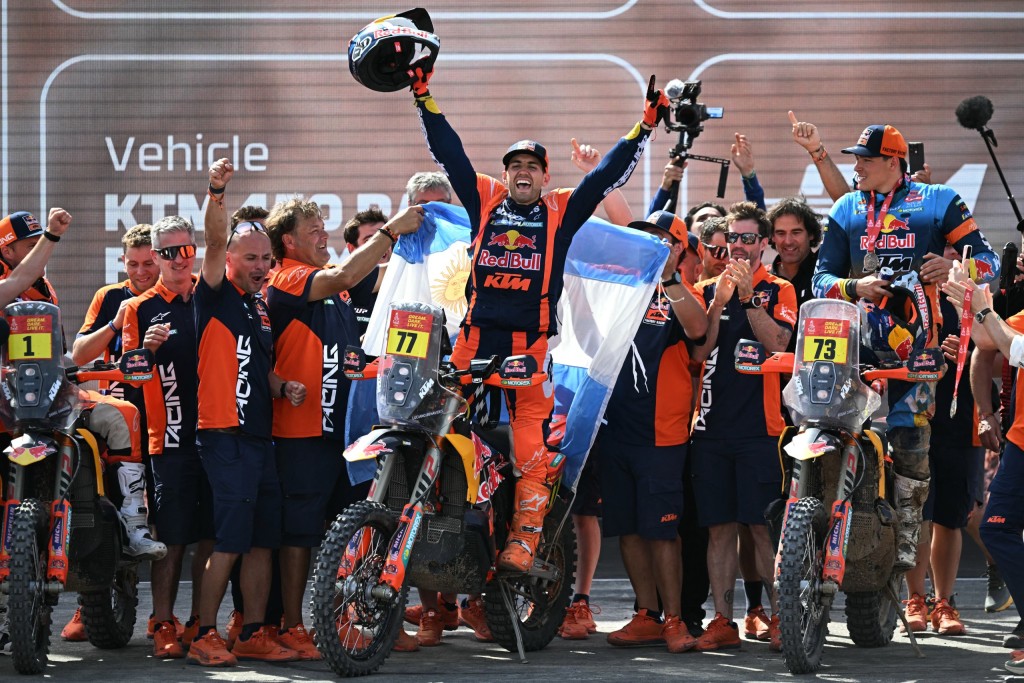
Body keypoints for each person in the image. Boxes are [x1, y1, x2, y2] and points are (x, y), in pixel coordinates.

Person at [409, 65, 665, 572]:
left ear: (546, 176)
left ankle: (524, 540)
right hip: (472, 345)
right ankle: (440, 537)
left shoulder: (561, 209)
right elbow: (449, 152)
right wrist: (423, 96)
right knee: (430, 432)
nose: (522, 171)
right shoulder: (484, 198)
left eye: (532, 165)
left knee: (532, 450)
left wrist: (643, 127)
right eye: (515, 165)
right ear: (505, 174)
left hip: (530, 351)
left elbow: (604, 175)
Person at [812, 123, 998, 568]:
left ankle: (908, 549)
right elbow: (819, 280)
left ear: (893, 162)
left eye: (865, 159)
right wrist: (856, 286)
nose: (855, 166)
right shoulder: (845, 207)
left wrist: (954, 266)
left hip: (919, 353)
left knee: (912, 452)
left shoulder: (939, 200)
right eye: (855, 158)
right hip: (853, 353)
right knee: (832, 448)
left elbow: (987, 261)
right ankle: (827, 542)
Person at [265, 195, 423, 653]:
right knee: (299, 533)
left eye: (323, 227)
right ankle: (293, 625)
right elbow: (346, 273)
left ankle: (354, 620)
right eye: (313, 229)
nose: (323, 235)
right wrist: (390, 232)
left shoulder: (335, 290)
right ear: (288, 240)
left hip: (346, 433)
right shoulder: (288, 276)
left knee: (353, 531)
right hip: (301, 432)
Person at [185, 159, 306, 666]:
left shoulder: (258, 307)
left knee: (262, 539)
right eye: (251, 257)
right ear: (229, 258)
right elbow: (214, 240)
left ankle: (253, 630)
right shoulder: (214, 292)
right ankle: (202, 634)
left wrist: (283, 385)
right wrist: (217, 191)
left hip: (260, 435)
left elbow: (258, 369)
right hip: (223, 433)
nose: (261, 265)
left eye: (265, 258)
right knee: (232, 538)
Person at [598, 211, 707, 653]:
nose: (652, 245)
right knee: (628, 528)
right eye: (645, 239)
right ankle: (646, 614)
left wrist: (670, 278)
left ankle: (675, 618)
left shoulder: (682, 292)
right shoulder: (617, 288)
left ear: (679, 248)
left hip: (661, 433)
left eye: (663, 240)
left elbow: (700, 332)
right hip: (613, 427)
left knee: (662, 531)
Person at [690, 201, 797, 652]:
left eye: (749, 238)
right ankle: (722, 620)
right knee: (719, 528)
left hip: (762, 430)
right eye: (733, 238)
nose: (739, 247)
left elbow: (778, 342)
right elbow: (699, 354)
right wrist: (716, 305)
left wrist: (750, 295)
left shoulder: (781, 289)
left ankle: (779, 618)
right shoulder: (706, 287)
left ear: (765, 243)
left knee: (761, 528)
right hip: (710, 429)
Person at [61, 223, 166, 642]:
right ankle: (90, 606)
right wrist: (115, 323)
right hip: (117, 415)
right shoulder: (109, 296)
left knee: (169, 519)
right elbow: (79, 355)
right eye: (133, 263)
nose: (141, 271)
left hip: (167, 416)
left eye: (149, 262)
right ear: (123, 262)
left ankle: (169, 619)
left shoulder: (179, 292)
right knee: (94, 496)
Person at [122, 215, 214, 658]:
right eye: (169, 252)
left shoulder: (215, 296)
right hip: (171, 440)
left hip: (220, 438)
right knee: (172, 540)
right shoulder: (139, 308)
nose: (179, 259)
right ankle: (162, 622)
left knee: (212, 538)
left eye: (186, 250)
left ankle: (202, 622)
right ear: (155, 256)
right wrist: (148, 350)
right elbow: (129, 377)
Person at [903, 245, 992, 637]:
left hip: (961, 413)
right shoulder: (905, 290)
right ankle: (915, 599)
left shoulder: (977, 294)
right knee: (917, 511)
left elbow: (998, 348)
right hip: (911, 411)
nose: (943, 257)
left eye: (954, 250)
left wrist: (970, 350)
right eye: (936, 247)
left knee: (951, 516)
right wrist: (925, 354)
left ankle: (944, 601)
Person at [942, 273, 1024, 674]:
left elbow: (1013, 346)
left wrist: (984, 308)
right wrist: (968, 305)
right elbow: (989, 343)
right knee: (995, 528)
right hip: (1021, 441)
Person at [340, 207, 391, 337]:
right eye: (370, 241)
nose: (381, 246)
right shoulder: (342, 282)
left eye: (386, 239)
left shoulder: (408, 280)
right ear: (352, 248)